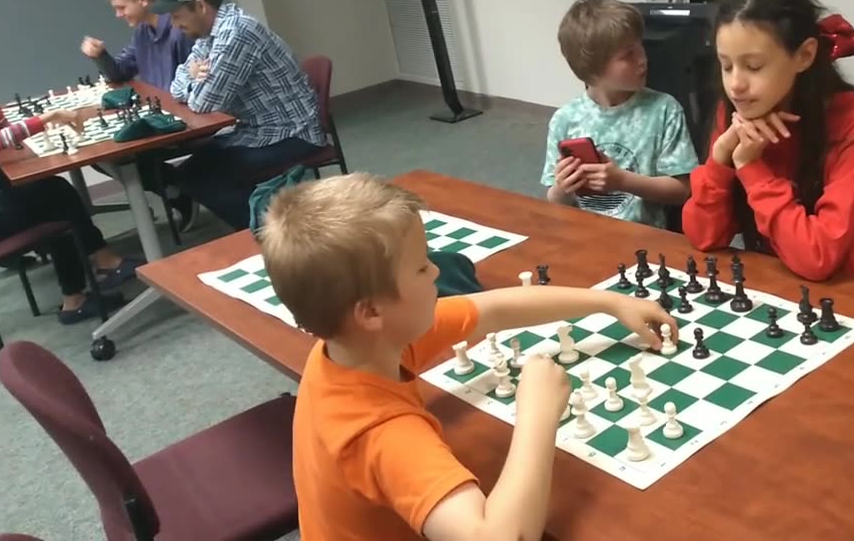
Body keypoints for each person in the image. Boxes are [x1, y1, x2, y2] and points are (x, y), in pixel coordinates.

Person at [258, 173, 677, 541]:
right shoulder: (381, 433)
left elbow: (493, 309)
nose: (438, 272)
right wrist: (537, 414)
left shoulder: (360, 344)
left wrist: (606, 302)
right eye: (422, 268)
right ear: (371, 312)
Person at [681, 0, 854, 286]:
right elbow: (704, 238)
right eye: (726, 65)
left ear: (804, 55)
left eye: (754, 66)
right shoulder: (737, 111)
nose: (735, 85)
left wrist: (750, 166)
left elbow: (819, 257)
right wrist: (719, 162)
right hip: (781, 283)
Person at [152, 0, 325, 231]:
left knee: (201, 178)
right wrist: (193, 78)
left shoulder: (236, 33)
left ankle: (275, 237)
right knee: (192, 172)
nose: (174, 26)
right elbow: (177, 84)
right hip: (257, 130)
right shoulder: (211, 34)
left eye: (177, 16)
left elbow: (204, 103)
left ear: (200, 6)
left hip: (292, 133)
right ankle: (269, 227)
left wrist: (193, 82)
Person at [0, 65, 137, 323]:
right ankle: (91, 278)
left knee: (50, 196)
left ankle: (90, 276)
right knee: (56, 196)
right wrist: (49, 117)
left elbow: (2, 136)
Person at [541, 0, 697, 229]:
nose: (643, 59)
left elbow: (683, 191)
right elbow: (555, 201)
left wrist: (623, 181)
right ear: (592, 70)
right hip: (584, 235)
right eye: (627, 55)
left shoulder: (664, 110)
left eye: (640, 47)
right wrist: (563, 188)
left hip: (643, 239)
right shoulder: (565, 120)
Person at [79, 0, 199, 231]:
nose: (118, 15)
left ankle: (182, 190)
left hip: (182, 121)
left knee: (117, 154)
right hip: (156, 116)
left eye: (122, 8)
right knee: (100, 154)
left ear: (143, 0)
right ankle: (177, 190)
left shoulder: (179, 30)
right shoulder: (142, 32)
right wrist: (100, 55)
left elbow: (194, 86)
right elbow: (120, 71)